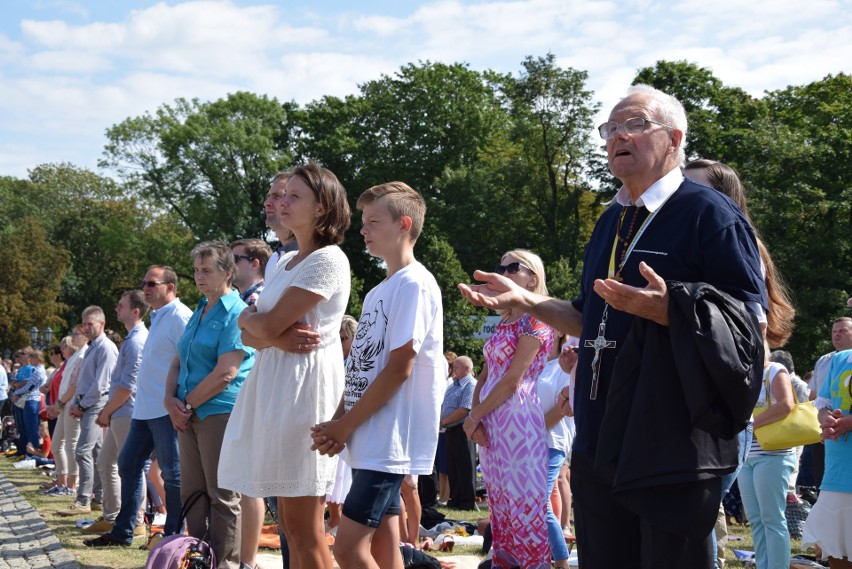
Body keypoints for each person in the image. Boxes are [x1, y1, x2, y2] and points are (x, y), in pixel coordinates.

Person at [459, 84, 766, 569]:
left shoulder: (708, 214)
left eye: (636, 124)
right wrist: (528, 300)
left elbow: (751, 326)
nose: (618, 136)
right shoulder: (611, 221)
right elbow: (586, 316)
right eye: (610, 128)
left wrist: (672, 310)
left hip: (672, 441)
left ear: (674, 139)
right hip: (600, 437)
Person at [220, 163, 351, 569]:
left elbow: (266, 323)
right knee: (292, 528)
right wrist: (255, 324)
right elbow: (247, 331)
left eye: (295, 196)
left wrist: (259, 326)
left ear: (322, 207)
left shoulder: (328, 260)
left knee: (304, 528)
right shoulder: (285, 262)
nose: (283, 203)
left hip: (303, 392)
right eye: (283, 195)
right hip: (277, 386)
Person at [312, 181, 444, 569]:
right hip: (369, 437)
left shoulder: (415, 283)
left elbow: (400, 368)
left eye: (372, 221)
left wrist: (346, 424)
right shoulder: (379, 290)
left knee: (348, 549)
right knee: (387, 553)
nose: (363, 230)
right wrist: (338, 421)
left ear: (404, 225)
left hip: (388, 440)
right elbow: (360, 369)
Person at [162, 241, 255, 569]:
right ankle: (197, 557)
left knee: (222, 494)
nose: (200, 277)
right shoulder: (199, 309)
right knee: (192, 492)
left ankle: (225, 563)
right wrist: (169, 400)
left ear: (228, 273)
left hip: (219, 411)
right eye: (197, 271)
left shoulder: (237, 312)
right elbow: (178, 359)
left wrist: (184, 405)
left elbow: (226, 372)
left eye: (207, 270)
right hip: (187, 412)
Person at [85, 265, 193, 548]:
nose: (145, 288)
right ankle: (123, 532)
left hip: (165, 409)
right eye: (144, 283)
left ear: (170, 287)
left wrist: (182, 401)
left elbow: (192, 360)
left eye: (151, 283)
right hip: (144, 410)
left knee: (172, 473)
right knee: (128, 464)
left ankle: (171, 537)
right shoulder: (159, 317)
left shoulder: (181, 317)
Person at [465, 249, 554, 568]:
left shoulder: (539, 318)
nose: (503, 272)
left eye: (512, 267)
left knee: (523, 508)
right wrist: (474, 415)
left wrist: (474, 416)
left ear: (533, 277)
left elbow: (513, 380)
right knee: (500, 508)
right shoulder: (505, 318)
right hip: (491, 421)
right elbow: (486, 372)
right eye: (499, 267)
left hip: (518, 419)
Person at [683, 159, 795, 349]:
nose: (687, 195)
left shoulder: (740, 243)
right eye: (683, 187)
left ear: (724, 196)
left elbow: (755, 324)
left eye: (698, 189)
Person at [85, 290, 149, 535]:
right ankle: (112, 516)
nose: (116, 309)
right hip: (119, 410)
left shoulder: (135, 341)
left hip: (126, 410)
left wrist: (106, 411)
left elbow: (128, 386)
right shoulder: (131, 338)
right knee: (107, 462)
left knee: (130, 467)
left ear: (135, 310)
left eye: (121, 306)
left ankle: (138, 520)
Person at [739, 345, 797, 569]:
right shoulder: (744, 373)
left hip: (774, 454)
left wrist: (749, 425)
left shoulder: (775, 369)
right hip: (747, 455)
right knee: (755, 519)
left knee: (772, 519)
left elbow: (786, 405)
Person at [58, 306, 119, 517]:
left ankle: (84, 498)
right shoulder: (93, 347)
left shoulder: (105, 348)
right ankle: (99, 498)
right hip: (87, 403)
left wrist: (82, 405)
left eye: (90, 324)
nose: (86, 328)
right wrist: (78, 403)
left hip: (96, 404)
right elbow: (83, 381)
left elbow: (101, 384)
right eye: (84, 324)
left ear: (102, 324)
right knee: (95, 451)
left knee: (83, 450)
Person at [803, 348, 852, 568]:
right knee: (836, 547)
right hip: (838, 470)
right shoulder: (841, 359)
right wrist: (827, 420)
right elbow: (822, 403)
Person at [537, 337, 578, 569]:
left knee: (540, 501)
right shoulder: (539, 363)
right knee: (544, 497)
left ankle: (561, 561)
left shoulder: (567, 361)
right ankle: (542, 555)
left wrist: (532, 431)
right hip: (532, 441)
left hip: (553, 440)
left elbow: (563, 409)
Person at [807, 317, 852, 488]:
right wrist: (826, 421)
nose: (837, 335)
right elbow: (816, 399)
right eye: (834, 331)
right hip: (829, 437)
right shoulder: (827, 360)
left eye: (843, 331)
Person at [44, 330, 88, 496]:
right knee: (57, 445)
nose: (74, 335)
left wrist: (59, 404)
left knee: (71, 445)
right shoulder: (72, 359)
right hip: (64, 405)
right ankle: (62, 482)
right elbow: (65, 385)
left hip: (72, 405)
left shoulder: (82, 355)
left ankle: (71, 485)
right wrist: (58, 404)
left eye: (76, 333)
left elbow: (75, 385)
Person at [327, 315, 359, 533]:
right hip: (337, 418)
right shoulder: (337, 360)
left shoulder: (357, 362)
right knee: (335, 475)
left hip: (351, 423)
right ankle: (336, 519)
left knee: (346, 477)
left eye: (343, 338)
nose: (340, 343)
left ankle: (343, 521)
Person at [440, 356, 476, 510]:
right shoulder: (453, 385)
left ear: (467, 369)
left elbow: (465, 408)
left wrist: (444, 421)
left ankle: (466, 502)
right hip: (450, 430)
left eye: (457, 367)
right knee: (453, 467)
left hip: (462, 429)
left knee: (464, 467)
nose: (453, 370)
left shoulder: (470, 384)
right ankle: (455, 499)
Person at [11, 350, 46, 460]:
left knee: (31, 428)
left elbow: (29, 386)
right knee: (28, 427)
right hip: (30, 400)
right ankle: (29, 452)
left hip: (32, 400)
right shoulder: (37, 370)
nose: (30, 360)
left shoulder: (38, 371)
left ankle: (32, 453)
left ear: (38, 358)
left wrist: (16, 393)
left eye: (32, 358)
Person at [231, 238, 272, 306]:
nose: (229, 264)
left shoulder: (258, 301)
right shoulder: (238, 299)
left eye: (235, 259)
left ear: (254, 264)